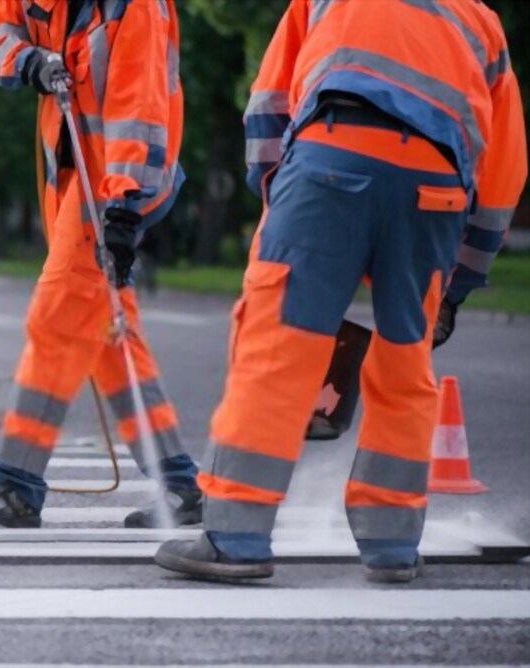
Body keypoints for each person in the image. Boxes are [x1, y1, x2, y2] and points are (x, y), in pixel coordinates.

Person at [155, 0, 526, 582]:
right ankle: (393, 544)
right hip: (437, 187)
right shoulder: (481, 19)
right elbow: (504, 172)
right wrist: (459, 286)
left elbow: (269, 105)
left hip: (333, 152)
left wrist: (279, 197)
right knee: (406, 360)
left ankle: (235, 537)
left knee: (279, 347)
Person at [0, 0, 200, 529]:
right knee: (112, 341)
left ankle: (15, 484)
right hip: (76, 183)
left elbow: (140, 106)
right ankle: (180, 486)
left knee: (55, 321)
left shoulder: (137, 9)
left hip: (111, 192)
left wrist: (124, 207)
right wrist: (29, 59)